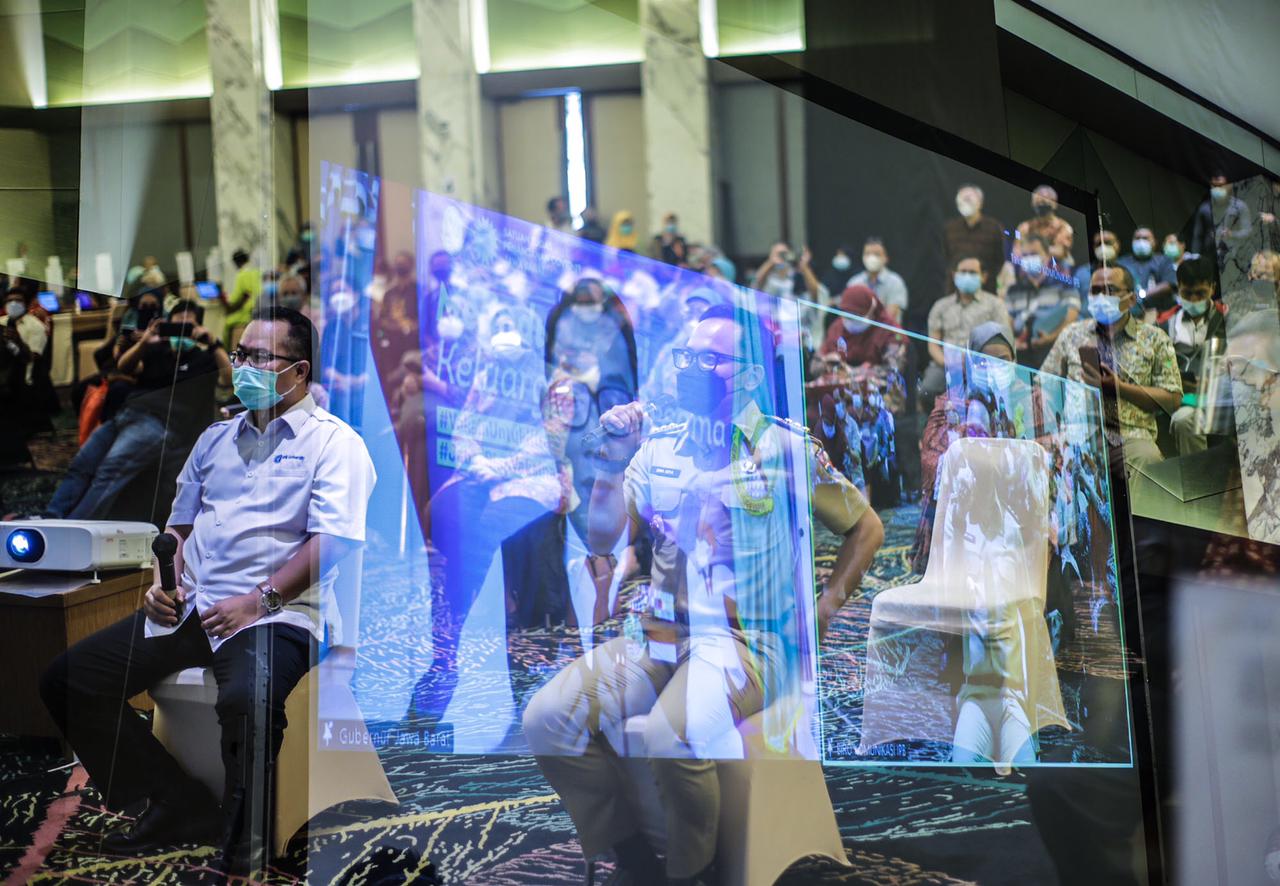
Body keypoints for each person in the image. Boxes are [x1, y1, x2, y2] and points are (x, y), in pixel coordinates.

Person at [523, 303, 884, 886]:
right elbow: (603, 537)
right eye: (687, 357)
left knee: (670, 736)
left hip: (750, 644)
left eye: (709, 360)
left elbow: (866, 529)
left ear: (748, 374)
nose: (690, 369)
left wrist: (824, 608)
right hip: (662, 636)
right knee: (547, 718)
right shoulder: (661, 447)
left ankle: (693, 872)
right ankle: (630, 855)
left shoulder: (784, 449)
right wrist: (613, 462)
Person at [40, 307, 375, 875]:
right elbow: (177, 529)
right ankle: (176, 802)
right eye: (240, 353)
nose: (242, 366)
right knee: (68, 680)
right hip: (194, 607)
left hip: (279, 614)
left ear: (298, 371)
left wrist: (258, 601)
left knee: (247, 699)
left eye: (259, 357)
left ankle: (245, 840)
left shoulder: (334, 444)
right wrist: (161, 584)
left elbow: (333, 542)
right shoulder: (215, 439)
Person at [45, 300, 230, 520]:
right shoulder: (156, 349)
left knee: (109, 472)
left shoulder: (203, 359)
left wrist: (213, 343)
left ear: (198, 328)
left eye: (187, 326)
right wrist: (144, 341)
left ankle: (75, 527)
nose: (180, 330)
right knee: (82, 464)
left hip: (158, 424)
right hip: (127, 414)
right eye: (175, 325)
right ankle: (51, 519)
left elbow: (229, 379)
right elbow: (124, 366)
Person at [1041, 265, 1182, 474]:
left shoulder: (1154, 338)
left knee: (1147, 460)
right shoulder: (1072, 334)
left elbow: (1173, 399)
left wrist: (1119, 388)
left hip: (1130, 438)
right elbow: (1043, 384)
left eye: (1109, 290)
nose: (1100, 297)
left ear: (1131, 299)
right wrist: (1051, 429)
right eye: (1095, 291)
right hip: (1076, 437)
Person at [1155, 256, 1225, 454]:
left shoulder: (1228, 320)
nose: (1193, 300)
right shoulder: (1164, 325)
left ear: (1212, 288)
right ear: (1178, 288)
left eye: (1200, 293)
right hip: (1181, 398)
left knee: (1185, 419)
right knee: (1183, 418)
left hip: (1220, 397)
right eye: (1187, 293)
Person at [922, 257, 1011, 402]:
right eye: (963, 272)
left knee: (982, 398)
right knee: (928, 390)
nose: (967, 276)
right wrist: (949, 364)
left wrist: (979, 364)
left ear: (984, 277)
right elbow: (933, 345)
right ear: (954, 275)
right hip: (946, 365)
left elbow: (1004, 342)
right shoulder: (941, 306)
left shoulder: (995, 305)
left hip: (982, 366)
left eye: (972, 272)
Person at [819, 284, 908, 414]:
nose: (850, 321)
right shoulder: (837, 328)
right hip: (839, 393)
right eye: (847, 315)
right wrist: (829, 366)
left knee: (855, 413)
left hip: (877, 395)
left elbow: (893, 369)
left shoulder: (890, 333)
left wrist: (853, 374)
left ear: (870, 311)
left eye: (856, 315)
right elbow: (817, 362)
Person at [1006, 235, 1079, 368]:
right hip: (1021, 358)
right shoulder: (1014, 289)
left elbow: (1072, 315)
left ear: (1047, 256)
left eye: (1034, 253)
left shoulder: (1064, 283)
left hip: (1055, 353)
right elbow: (1008, 321)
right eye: (1025, 255)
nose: (1029, 258)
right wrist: (1014, 341)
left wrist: (1051, 338)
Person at [943, 185, 1007, 294]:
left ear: (980, 203)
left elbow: (1000, 259)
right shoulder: (950, 229)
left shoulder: (994, 228)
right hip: (955, 289)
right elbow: (947, 257)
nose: (966, 203)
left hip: (986, 289)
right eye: (963, 200)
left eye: (970, 200)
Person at [1190, 174, 1252, 267]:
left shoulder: (1240, 206)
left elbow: (1248, 232)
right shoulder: (1204, 208)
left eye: (1221, 185)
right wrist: (1195, 259)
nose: (1218, 189)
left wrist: (1232, 234)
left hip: (1233, 258)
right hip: (1209, 257)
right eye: (1215, 185)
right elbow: (1197, 235)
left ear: (1229, 185)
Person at [1118, 227, 1178, 314]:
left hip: (1159, 312)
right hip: (1128, 312)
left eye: (1145, 238)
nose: (1141, 241)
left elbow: (1169, 284)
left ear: (1154, 242)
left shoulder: (1164, 261)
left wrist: (1142, 295)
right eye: (1137, 238)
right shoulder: (1122, 262)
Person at [847, 237, 908, 322]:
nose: (872, 258)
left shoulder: (895, 282)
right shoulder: (854, 282)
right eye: (867, 254)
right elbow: (848, 314)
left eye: (877, 254)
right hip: (858, 330)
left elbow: (890, 316)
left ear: (886, 258)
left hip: (885, 330)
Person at [1016, 185, 1074, 262]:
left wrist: (1039, 248)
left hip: (1055, 267)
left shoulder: (1064, 227)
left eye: (1044, 202)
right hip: (1027, 266)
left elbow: (1061, 252)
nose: (1041, 205)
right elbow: (1017, 249)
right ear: (1032, 203)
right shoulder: (1023, 227)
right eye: (1038, 202)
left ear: (1054, 204)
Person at [223, 248, 262, 350]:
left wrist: (227, 299)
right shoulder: (257, 272)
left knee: (226, 322)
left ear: (235, 262)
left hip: (245, 314)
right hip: (257, 310)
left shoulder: (241, 275)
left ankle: (228, 351)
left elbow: (235, 298)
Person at [1072, 229, 1121, 298]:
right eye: (1099, 244)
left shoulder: (1129, 270)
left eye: (1107, 243)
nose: (1103, 247)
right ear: (1094, 247)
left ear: (1117, 245)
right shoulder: (1082, 273)